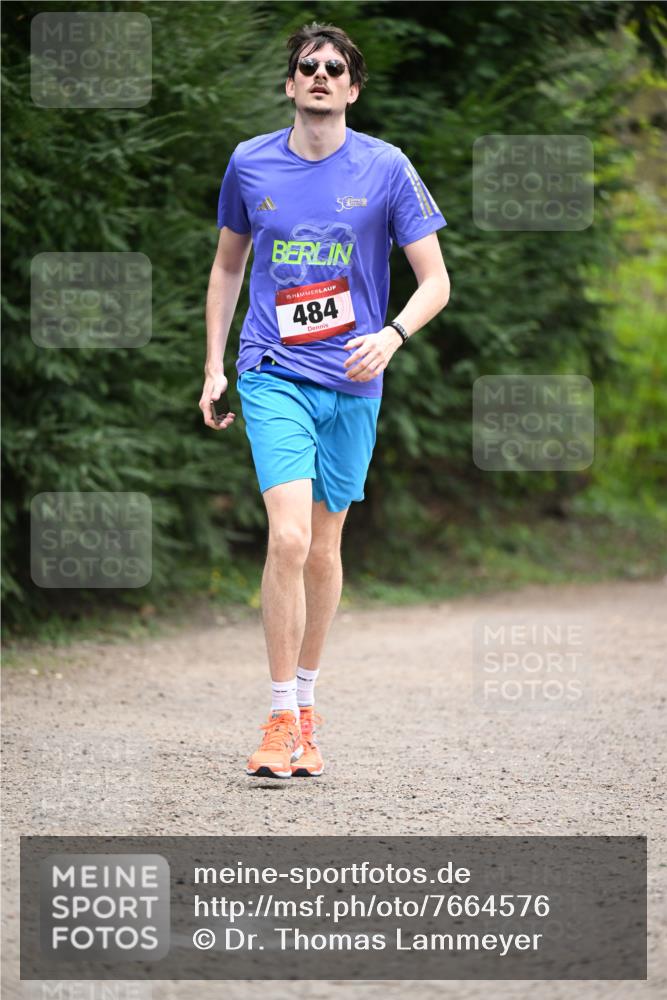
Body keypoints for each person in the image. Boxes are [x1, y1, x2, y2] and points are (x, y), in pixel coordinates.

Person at [200, 22, 450, 779]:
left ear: (352, 88)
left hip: (352, 379)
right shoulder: (250, 162)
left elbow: (436, 281)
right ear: (290, 84)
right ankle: (279, 716)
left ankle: (306, 705)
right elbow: (227, 269)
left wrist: (392, 336)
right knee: (288, 539)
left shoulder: (386, 168)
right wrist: (213, 366)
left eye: (334, 67)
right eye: (307, 65)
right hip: (272, 369)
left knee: (324, 548)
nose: (319, 74)